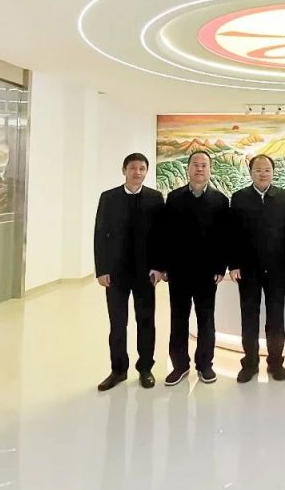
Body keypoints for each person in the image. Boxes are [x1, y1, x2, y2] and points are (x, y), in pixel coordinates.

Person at [155, 151, 230, 386]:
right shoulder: (174, 198)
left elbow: (224, 237)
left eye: (204, 165)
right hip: (178, 271)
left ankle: (205, 365)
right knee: (179, 319)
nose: (199, 169)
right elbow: (165, 234)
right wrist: (163, 266)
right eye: (195, 165)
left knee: (206, 319)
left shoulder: (220, 200)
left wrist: (220, 267)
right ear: (188, 169)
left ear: (210, 170)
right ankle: (179, 365)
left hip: (207, 273)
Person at [93, 152, 166, 391]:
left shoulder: (155, 198)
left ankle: (145, 368)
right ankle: (118, 370)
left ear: (146, 172)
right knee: (117, 324)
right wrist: (102, 269)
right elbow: (100, 234)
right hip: (115, 273)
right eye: (133, 168)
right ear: (124, 170)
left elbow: (161, 236)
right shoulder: (109, 198)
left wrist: (159, 267)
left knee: (146, 322)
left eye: (142, 168)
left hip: (146, 274)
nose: (137, 172)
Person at [228, 154, 285, 383]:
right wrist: (233, 264)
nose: (263, 174)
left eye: (267, 170)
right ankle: (250, 364)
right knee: (249, 317)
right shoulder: (239, 198)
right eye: (258, 170)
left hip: (276, 268)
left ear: (273, 172)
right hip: (248, 270)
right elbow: (232, 234)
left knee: (276, 317)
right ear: (251, 173)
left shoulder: (283, 197)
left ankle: (276, 363)